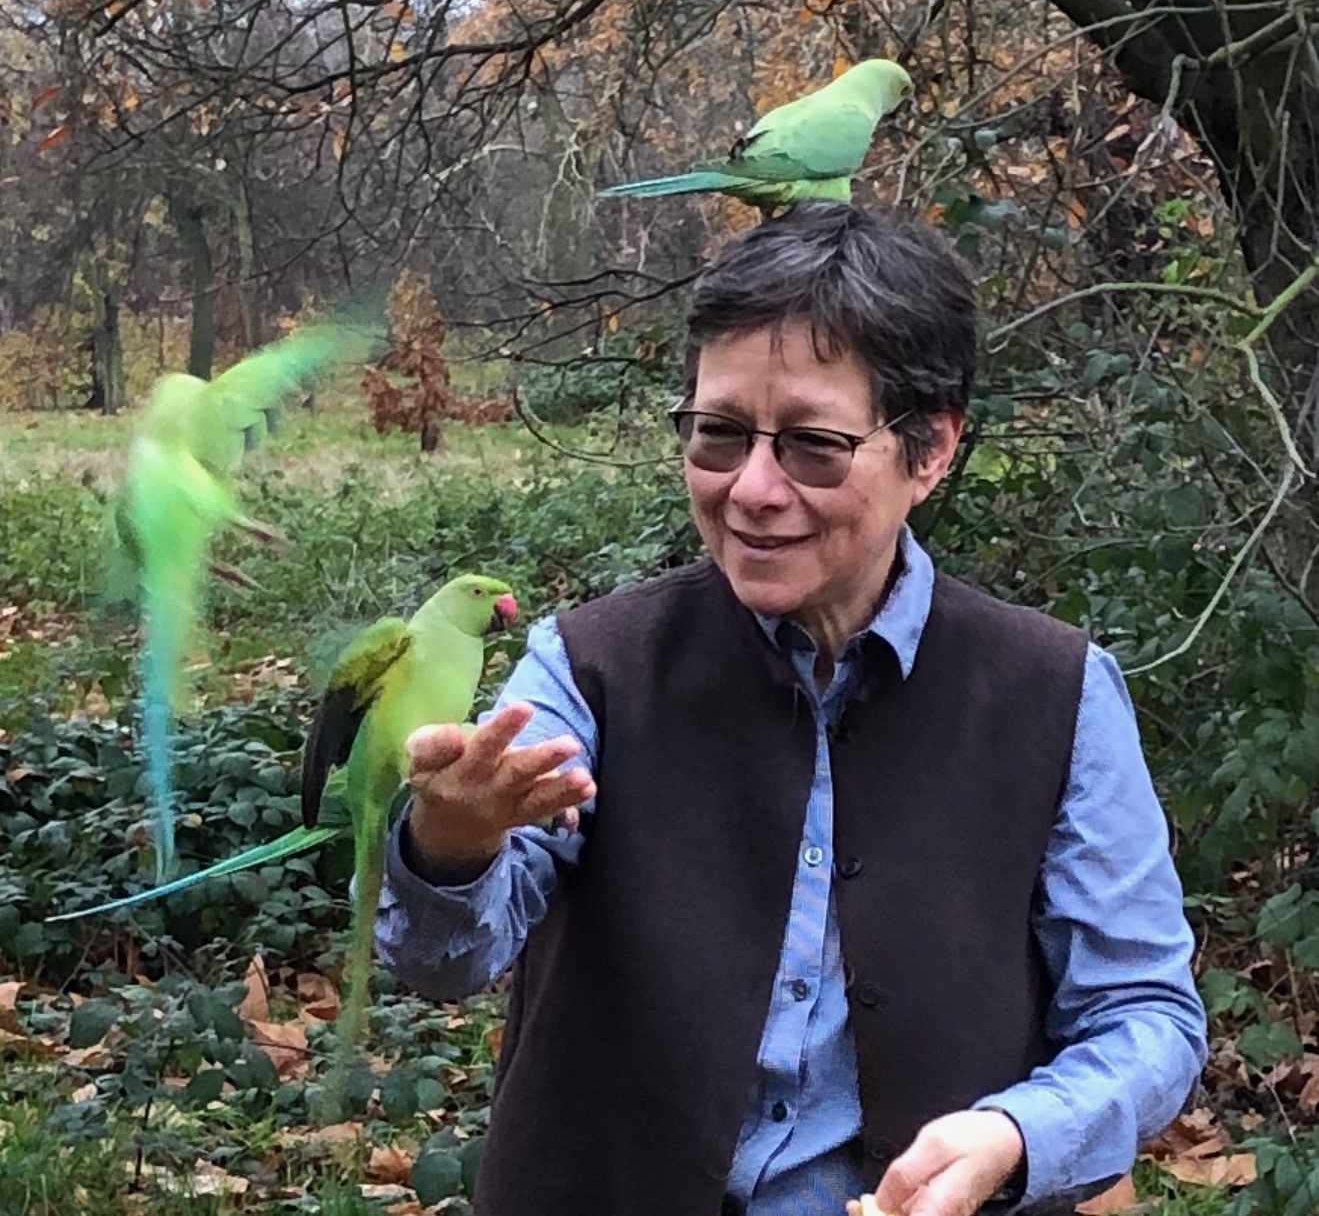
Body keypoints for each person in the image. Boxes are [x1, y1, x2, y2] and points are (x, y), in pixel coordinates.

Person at [376, 201, 1207, 1216]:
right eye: (719, 435)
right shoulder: (589, 666)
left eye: (812, 444)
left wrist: (1014, 1133)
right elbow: (439, 963)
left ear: (929, 448)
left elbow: (1145, 1015)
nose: (753, 488)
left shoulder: (1052, 692)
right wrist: (449, 845)